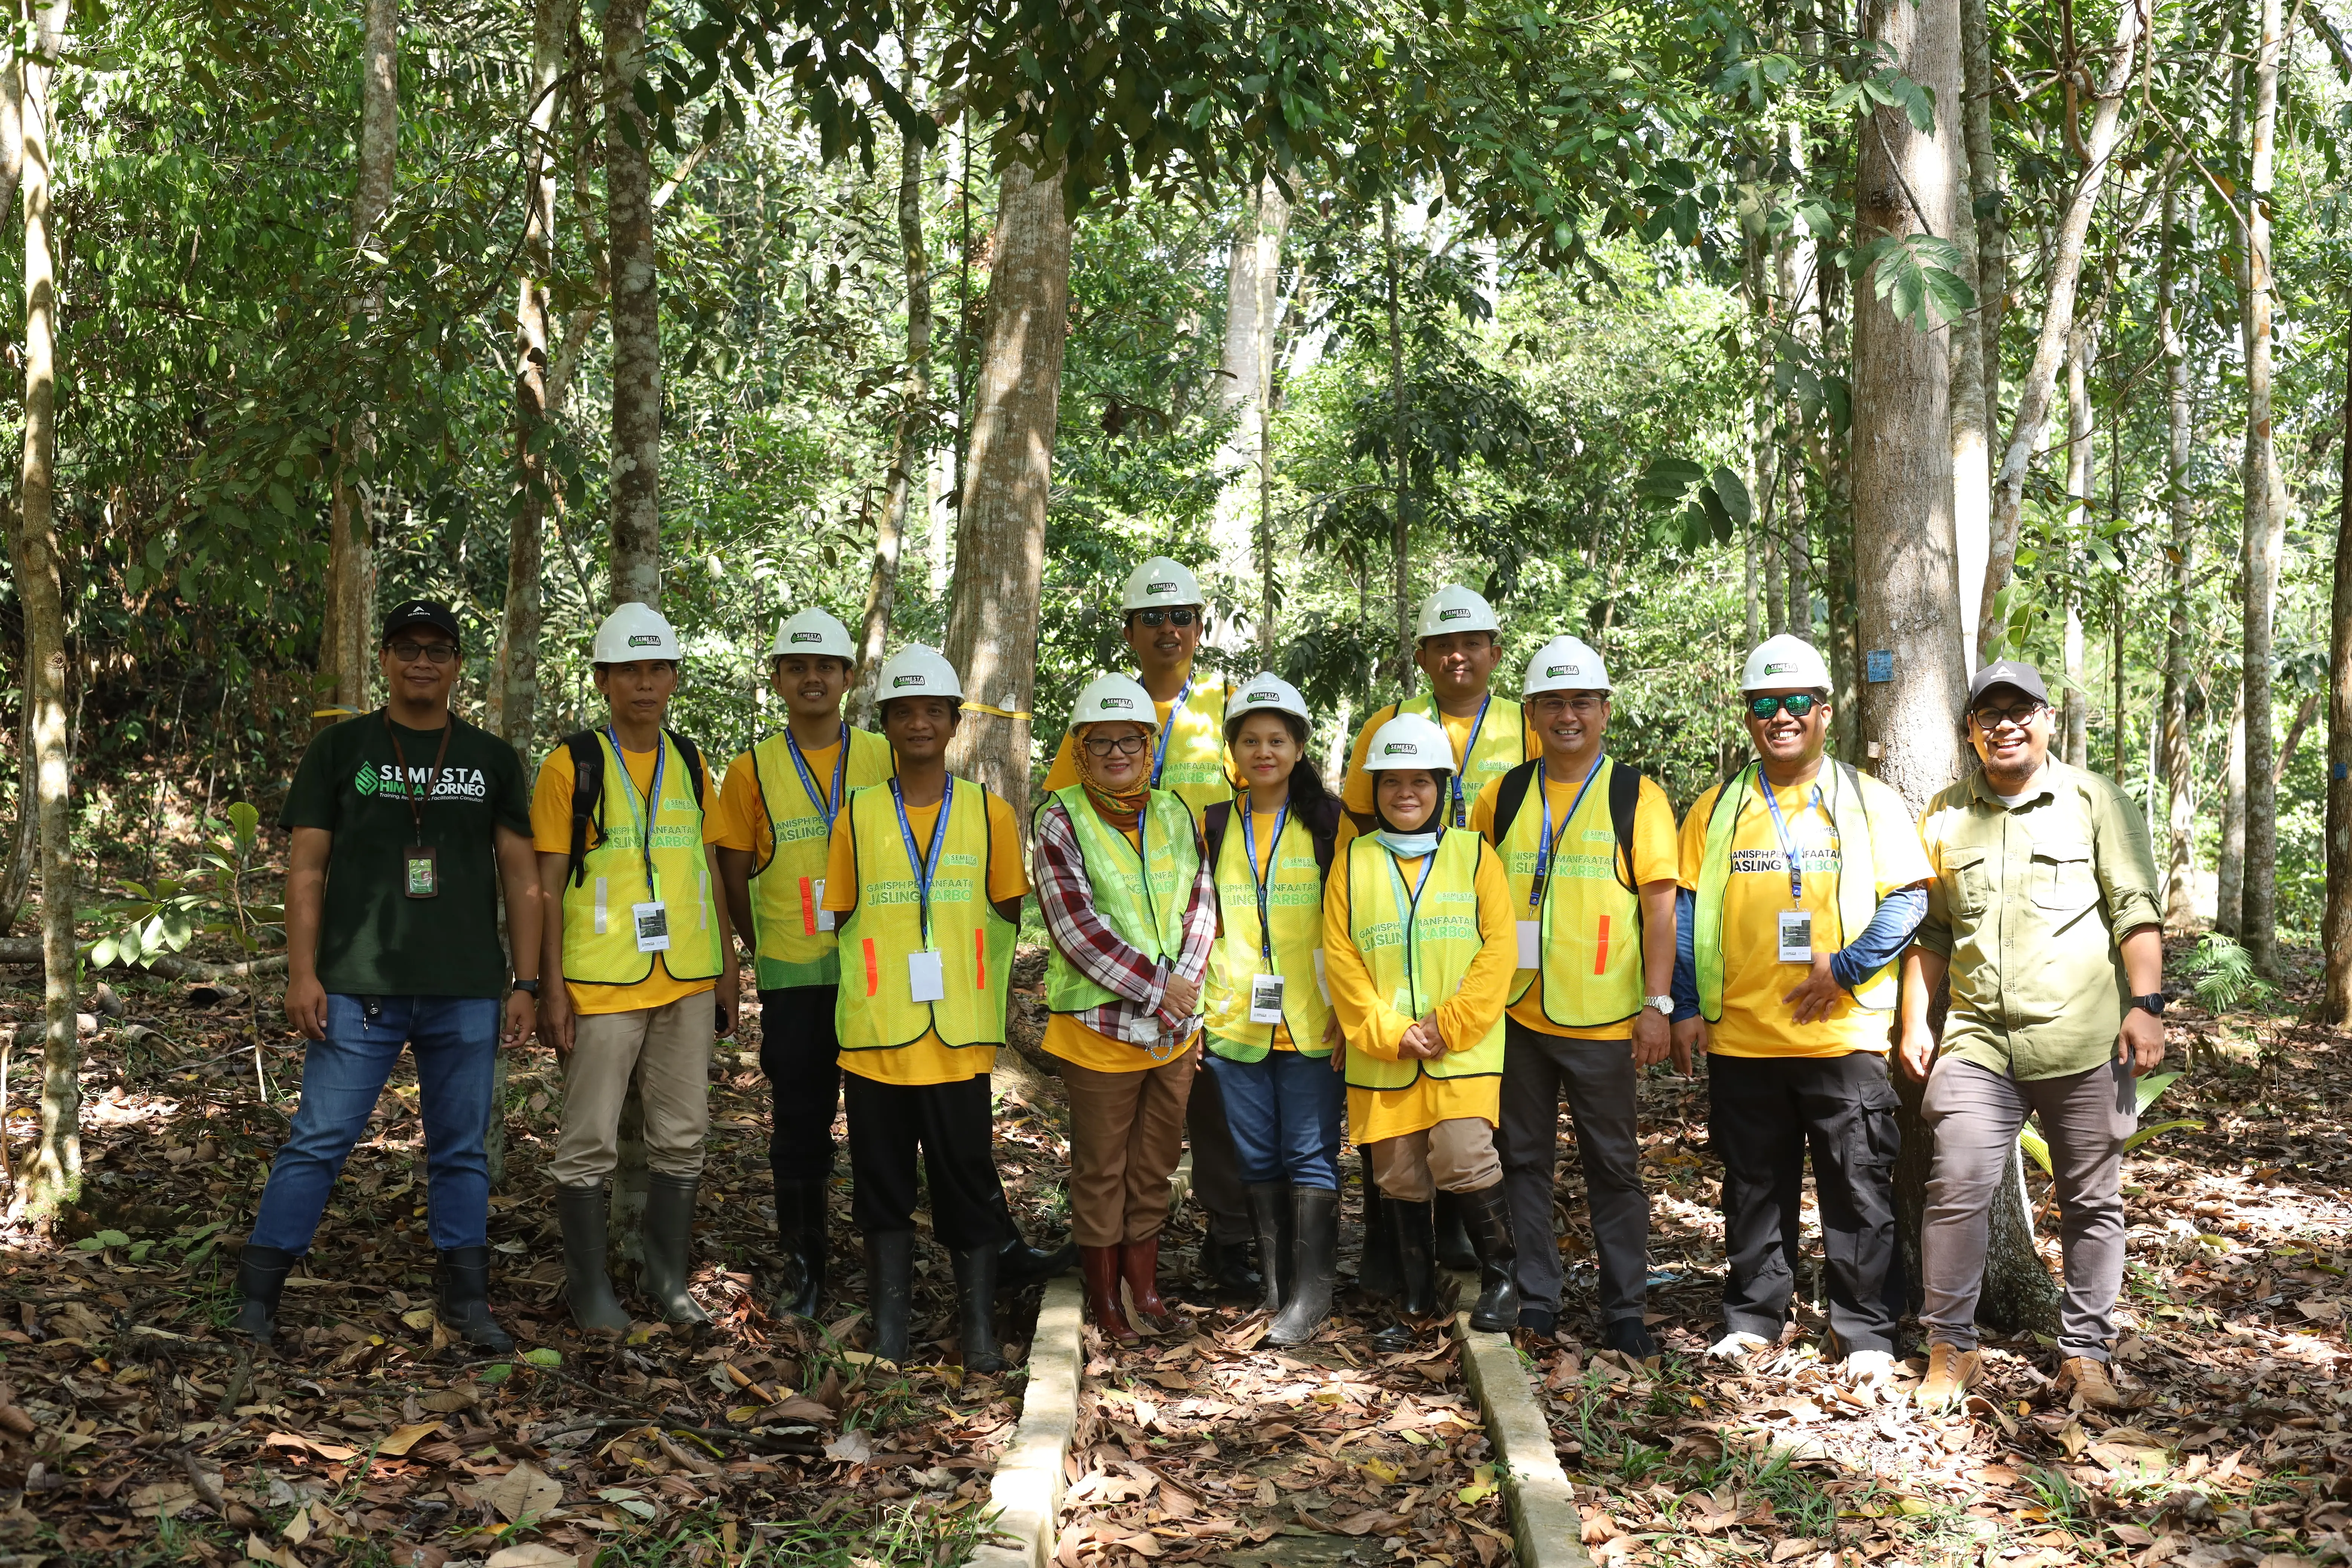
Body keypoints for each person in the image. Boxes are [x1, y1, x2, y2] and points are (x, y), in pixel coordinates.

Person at [239, 599, 541, 1351]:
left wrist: (527, 982)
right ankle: (257, 1296)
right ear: (384, 658)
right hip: (357, 987)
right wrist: (301, 973)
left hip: (467, 988)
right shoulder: (342, 751)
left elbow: (521, 876)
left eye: (439, 649)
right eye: (408, 647)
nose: (423, 662)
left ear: (457, 664)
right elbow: (306, 870)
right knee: (321, 1136)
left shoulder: (491, 759)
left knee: (461, 1146)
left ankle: (466, 1301)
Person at [1900, 659, 2166, 1413]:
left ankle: (2084, 1354)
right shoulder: (1945, 817)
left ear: (2047, 720)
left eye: (2022, 711)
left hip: (2087, 1042)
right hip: (1980, 1041)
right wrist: (1916, 1018)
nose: (2007, 724)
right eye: (1991, 715)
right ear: (1971, 733)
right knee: (1956, 1185)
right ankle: (1950, 1347)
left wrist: (2146, 1004)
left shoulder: (2094, 800)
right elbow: (1934, 934)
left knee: (2092, 1199)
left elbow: (2134, 909)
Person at [1670, 634, 1930, 1382]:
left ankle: (1867, 1332)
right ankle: (1754, 1319)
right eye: (1764, 705)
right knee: (1753, 1188)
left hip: (1842, 1036)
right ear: (1749, 716)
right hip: (1743, 1037)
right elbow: (1688, 913)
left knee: (1857, 1188)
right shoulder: (1718, 808)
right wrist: (1685, 1003)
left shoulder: (1867, 799)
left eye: (1795, 703)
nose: (1780, 717)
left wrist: (1846, 970)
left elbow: (1910, 898)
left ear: (1824, 711)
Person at [1042, 558, 1260, 1297]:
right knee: (1119, 1144)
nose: (1170, 630)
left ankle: (1231, 1245)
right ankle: (1118, 1280)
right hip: (1124, 988)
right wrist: (1157, 984)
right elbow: (1067, 846)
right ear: (1128, 630)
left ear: (1201, 626)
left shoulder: (1230, 709)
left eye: (1184, 617)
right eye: (1154, 618)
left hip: (1218, 958)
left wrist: (1187, 979)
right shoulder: (1102, 712)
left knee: (1213, 1116)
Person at [823, 644, 1030, 1371]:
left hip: (960, 1041)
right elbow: (840, 916)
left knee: (966, 1178)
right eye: (903, 712)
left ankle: (977, 1333)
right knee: (881, 1183)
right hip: (878, 1036)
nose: (918, 723)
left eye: (932, 712)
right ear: (885, 724)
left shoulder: (990, 814)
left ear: (953, 724)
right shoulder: (855, 816)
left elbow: (1008, 909)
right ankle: (890, 1337)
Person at [1471, 636, 1679, 1355]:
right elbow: (1474, 894)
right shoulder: (1503, 794)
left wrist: (1658, 1006)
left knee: (1613, 1169)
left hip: (1602, 1019)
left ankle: (1625, 1308)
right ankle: (1538, 1299)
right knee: (1522, 1160)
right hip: (1516, 1014)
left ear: (1604, 712)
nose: (1568, 715)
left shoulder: (1636, 795)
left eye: (1581, 702)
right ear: (1531, 713)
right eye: (1553, 703)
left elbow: (1659, 908)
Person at [535, 602, 738, 1332]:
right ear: (603, 680)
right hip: (602, 982)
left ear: (675, 677)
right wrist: (547, 985)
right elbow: (547, 883)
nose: (644, 684)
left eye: (656, 668)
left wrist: (727, 968)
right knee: (587, 1140)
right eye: (629, 670)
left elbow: (709, 867)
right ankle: (590, 1291)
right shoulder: (571, 764)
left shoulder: (688, 760)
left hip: (686, 977)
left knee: (683, 1135)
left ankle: (667, 1277)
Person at [1339, 585, 1542, 1277]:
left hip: (1479, 931)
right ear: (1422, 654)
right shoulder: (1387, 722)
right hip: (1395, 954)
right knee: (1397, 1158)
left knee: (1468, 1145)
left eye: (1472, 643)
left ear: (1495, 651)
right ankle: (1403, 1272)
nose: (1458, 656)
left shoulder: (1528, 723)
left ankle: (1490, 1266)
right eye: (1443, 645)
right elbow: (1360, 823)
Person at [713, 608, 895, 1320]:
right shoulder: (751, 769)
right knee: (799, 1123)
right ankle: (805, 1266)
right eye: (797, 667)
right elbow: (732, 875)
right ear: (779, 680)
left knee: (883, 1119)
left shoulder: (883, 756)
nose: (812, 677)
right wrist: (762, 944)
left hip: (878, 974)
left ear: (850, 678)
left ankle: (886, 1264)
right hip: (794, 975)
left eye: (826, 666)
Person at [1324, 712, 1520, 1351]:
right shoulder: (1351, 861)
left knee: (1464, 1157)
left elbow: (1500, 950)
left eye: (1420, 782)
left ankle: (1501, 1278)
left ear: (1443, 788)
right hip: (1385, 1054)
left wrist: (1448, 1024)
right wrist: (1388, 1031)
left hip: (1460, 1050)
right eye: (1391, 783)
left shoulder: (1474, 855)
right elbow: (1341, 957)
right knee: (1400, 1177)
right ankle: (1415, 1295)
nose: (1405, 793)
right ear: (1374, 791)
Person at [1037, 673, 1219, 1341]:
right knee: (1101, 1168)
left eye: (1131, 741)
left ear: (1150, 747)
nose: (1118, 753)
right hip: (1100, 1030)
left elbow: (1202, 902)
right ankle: (1105, 1297)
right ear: (1081, 750)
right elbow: (1074, 926)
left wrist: (1184, 989)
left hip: (1173, 1031)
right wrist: (1156, 986)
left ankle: (1144, 1284)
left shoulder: (1174, 810)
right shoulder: (1060, 817)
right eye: (1101, 742)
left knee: (1154, 1166)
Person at [1198, 675, 1345, 1344]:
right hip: (1235, 1019)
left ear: (1299, 747)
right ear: (1233, 750)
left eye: (1276, 741)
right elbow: (1195, 921)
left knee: (1309, 1153)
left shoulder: (1331, 823)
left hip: (1314, 1016)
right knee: (1256, 1158)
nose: (1264, 752)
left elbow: (1353, 920)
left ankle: (1313, 1294)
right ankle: (1279, 1287)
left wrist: (1352, 1009)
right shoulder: (1214, 822)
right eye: (1250, 741)